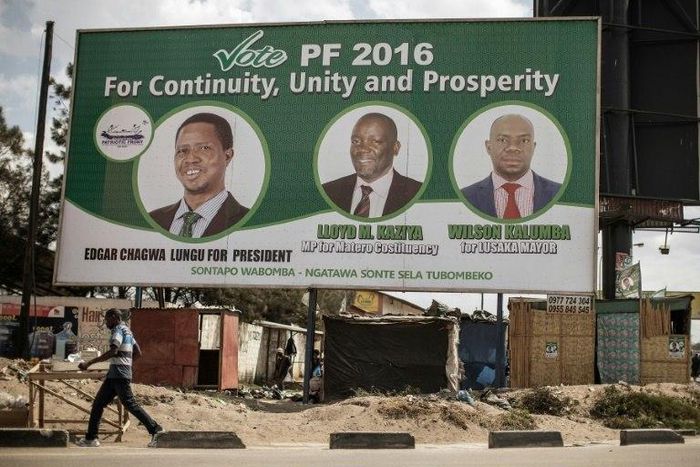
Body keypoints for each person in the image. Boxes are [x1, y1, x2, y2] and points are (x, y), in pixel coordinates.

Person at [149, 112, 249, 237]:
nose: (190, 159)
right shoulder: (152, 220)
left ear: (227, 156)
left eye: (204, 148)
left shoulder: (249, 222)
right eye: (182, 151)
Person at [77, 309, 163, 447]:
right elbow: (138, 352)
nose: (106, 322)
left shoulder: (118, 330)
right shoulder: (128, 331)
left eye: (107, 319)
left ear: (115, 317)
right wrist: (127, 364)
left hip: (119, 375)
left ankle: (157, 430)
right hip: (115, 375)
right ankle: (91, 438)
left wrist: (89, 363)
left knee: (130, 404)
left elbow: (113, 350)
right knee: (98, 404)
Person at [460, 113, 561, 219]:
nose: (513, 147)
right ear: (488, 147)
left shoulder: (558, 193)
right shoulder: (465, 198)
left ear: (533, 147)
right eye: (503, 140)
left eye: (524, 140)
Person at [322, 112, 422, 218]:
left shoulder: (416, 194)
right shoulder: (328, 192)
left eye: (375, 141)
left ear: (395, 148)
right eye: (356, 141)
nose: (362, 149)